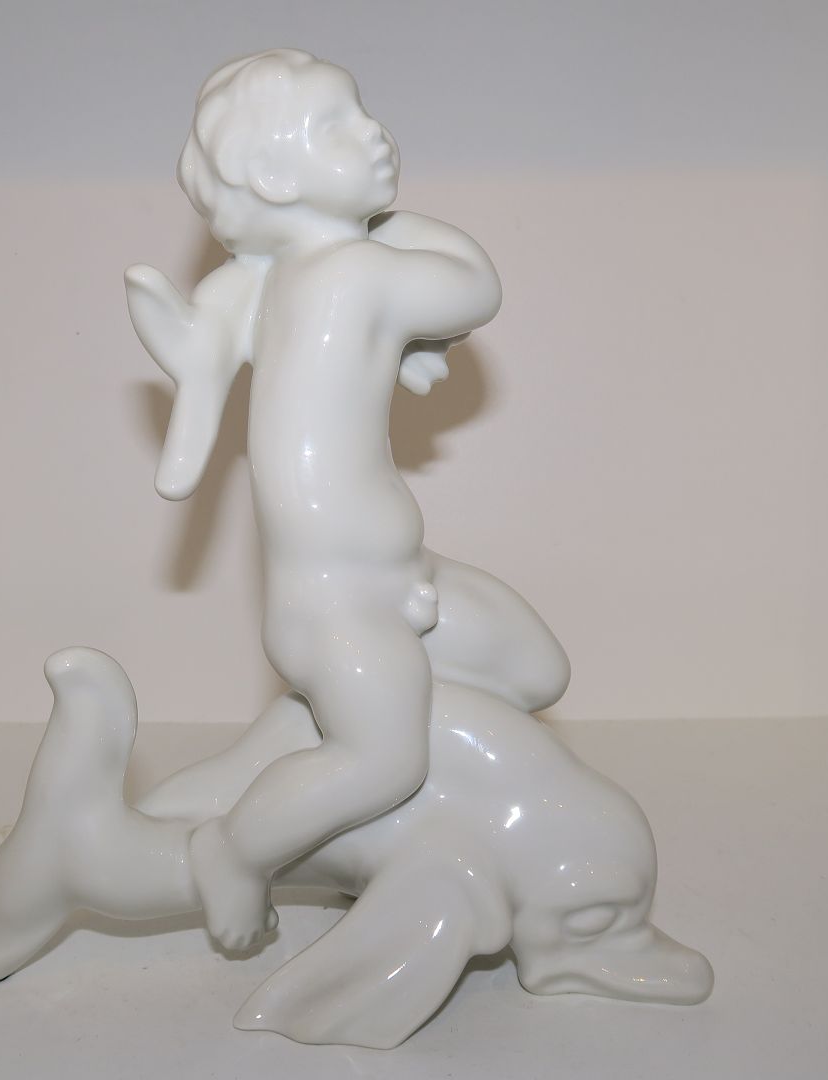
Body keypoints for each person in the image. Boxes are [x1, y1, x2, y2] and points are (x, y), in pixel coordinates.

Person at [126, 49, 569, 950]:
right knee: (384, 760)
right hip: (339, 604)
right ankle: (234, 850)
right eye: (338, 123)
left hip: (395, 577)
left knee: (533, 670)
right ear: (273, 175)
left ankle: (294, 742)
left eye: (363, 112)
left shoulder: (269, 283)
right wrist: (391, 222)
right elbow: (476, 285)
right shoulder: (353, 273)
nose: (375, 133)